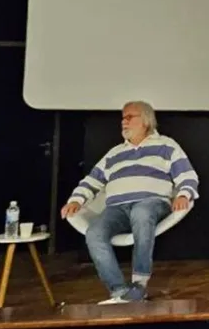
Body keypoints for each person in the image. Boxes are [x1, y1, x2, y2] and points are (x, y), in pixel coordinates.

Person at [61, 101, 198, 303]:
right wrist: (75, 200)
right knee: (94, 233)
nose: (123, 122)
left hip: (152, 203)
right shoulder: (114, 153)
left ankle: (139, 284)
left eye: (129, 117)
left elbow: (187, 176)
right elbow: (92, 180)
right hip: (117, 209)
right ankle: (119, 291)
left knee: (141, 212)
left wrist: (184, 194)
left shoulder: (166, 146)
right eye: (122, 118)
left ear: (145, 120)